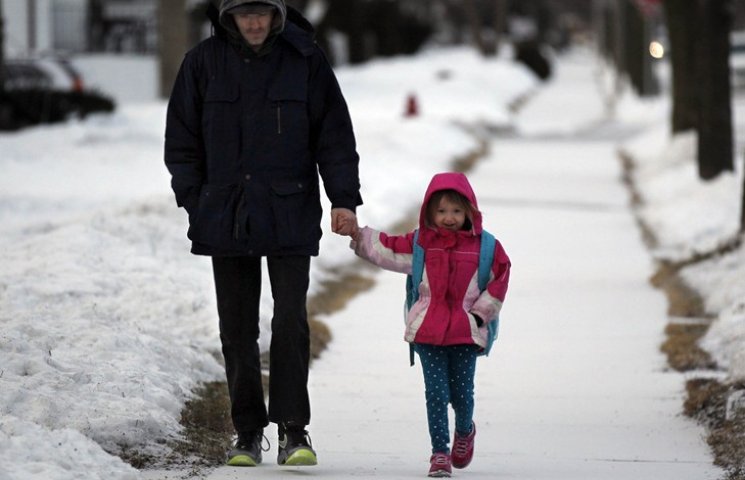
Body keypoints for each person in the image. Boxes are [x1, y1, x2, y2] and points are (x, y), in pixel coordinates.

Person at [163, 0, 361, 468]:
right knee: (236, 327)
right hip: (225, 213)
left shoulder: (306, 61)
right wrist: (197, 199)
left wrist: (343, 199)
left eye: (262, 12)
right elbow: (181, 140)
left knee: (289, 322)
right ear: (228, 15)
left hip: (288, 210)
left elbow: (333, 135)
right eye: (243, 13)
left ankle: (295, 429)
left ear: (277, 14)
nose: (253, 23)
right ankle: (247, 433)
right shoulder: (201, 63)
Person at [346, 172, 510, 478]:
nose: (449, 218)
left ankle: (464, 431)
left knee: (461, 393)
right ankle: (439, 453)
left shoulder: (486, 248)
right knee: (435, 393)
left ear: (469, 212)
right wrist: (359, 235)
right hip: (428, 332)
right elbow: (389, 248)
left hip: (465, 332)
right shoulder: (420, 244)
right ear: (430, 212)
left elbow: (499, 279)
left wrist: (478, 316)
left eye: (457, 211)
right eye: (442, 211)